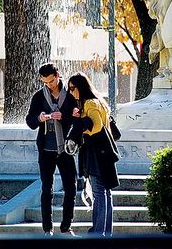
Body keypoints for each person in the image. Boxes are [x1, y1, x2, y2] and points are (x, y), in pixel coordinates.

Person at [25, 62, 77, 236]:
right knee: (47, 189)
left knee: (71, 187)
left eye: (51, 81)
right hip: (46, 149)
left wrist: (64, 117)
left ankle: (66, 226)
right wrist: (41, 118)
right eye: (45, 82)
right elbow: (30, 121)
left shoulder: (70, 95)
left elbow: (77, 118)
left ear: (57, 75)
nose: (49, 85)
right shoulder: (39, 96)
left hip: (65, 149)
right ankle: (47, 228)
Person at [67, 72, 119, 236]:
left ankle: (97, 233)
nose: (70, 92)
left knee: (99, 193)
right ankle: (106, 232)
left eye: (72, 88)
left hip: (95, 153)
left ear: (80, 87)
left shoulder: (89, 103)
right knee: (106, 193)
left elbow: (95, 127)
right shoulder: (100, 102)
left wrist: (79, 119)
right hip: (106, 151)